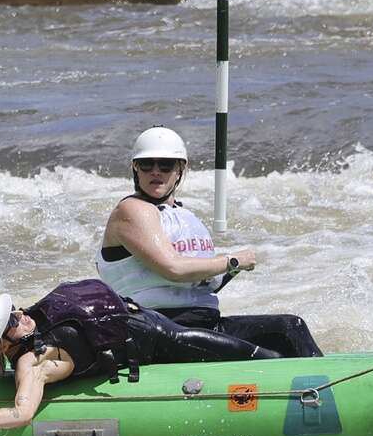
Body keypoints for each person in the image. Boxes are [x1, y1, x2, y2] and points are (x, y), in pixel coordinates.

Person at [0, 270, 279, 431]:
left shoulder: (2, 320)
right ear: (4, 344)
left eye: (13, 310)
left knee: (287, 326)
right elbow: (23, 412)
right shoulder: (34, 361)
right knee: (262, 358)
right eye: (12, 320)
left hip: (145, 316)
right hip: (159, 343)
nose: (21, 314)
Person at [97, 126, 323, 358]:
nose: (155, 171)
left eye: (165, 164)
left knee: (289, 328)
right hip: (158, 328)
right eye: (146, 164)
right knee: (270, 357)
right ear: (135, 167)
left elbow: (204, 283)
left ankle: (329, 386)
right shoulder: (133, 210)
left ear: (180, 169)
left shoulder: (186, 216)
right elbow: (174, 268)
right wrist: (231, 260)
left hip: (204, 324)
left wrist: (230, 269)